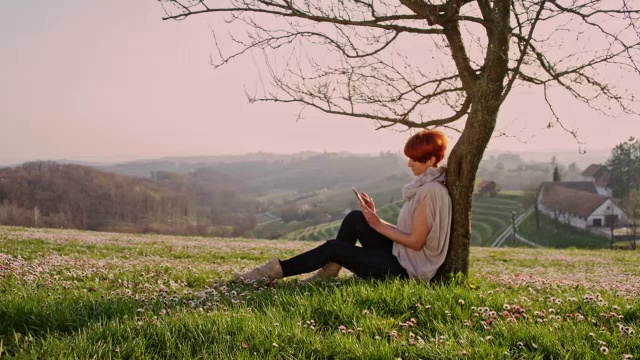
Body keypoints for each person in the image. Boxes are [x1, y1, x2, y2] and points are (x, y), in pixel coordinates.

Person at [234, 130, 452, 283]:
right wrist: (373, 218)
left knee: (334, 247)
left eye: (414, 159)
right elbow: (408, 234)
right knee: (357, 217)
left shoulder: (430, 191)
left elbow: (415, 242)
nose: (409, 164)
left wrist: (377, 225)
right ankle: (330, 269)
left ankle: (265, 274)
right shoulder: (424, 188)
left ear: (432, 159)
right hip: (402, 256)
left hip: (406, 271)